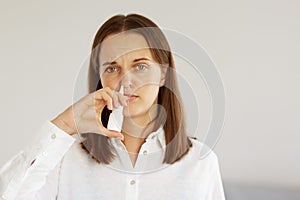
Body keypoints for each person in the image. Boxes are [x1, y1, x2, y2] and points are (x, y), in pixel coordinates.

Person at [0, 13, 225, 200]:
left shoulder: (201, 162)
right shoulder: (66, 157)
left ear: (164, 74)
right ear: (99, 78)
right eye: (111, 68)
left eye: (140, 67)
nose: (126, 80)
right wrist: (66, 124)